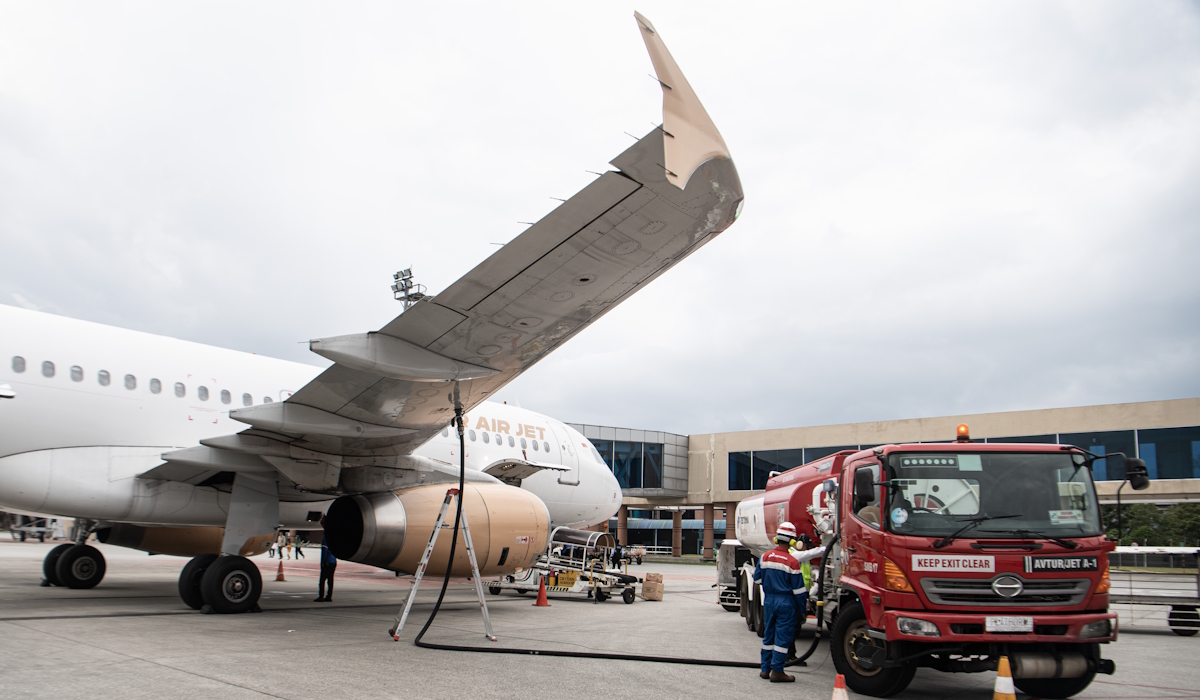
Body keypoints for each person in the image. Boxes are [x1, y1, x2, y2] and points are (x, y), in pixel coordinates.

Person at [753, 522, 826, 683]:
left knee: (768, 636)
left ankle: (765, 669)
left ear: (777, 538)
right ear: (793, 541)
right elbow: (799, 591)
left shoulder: (764, 557)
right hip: (786, 603)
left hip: (770, 601)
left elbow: (757, 579)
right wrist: (801, 609)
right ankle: (777, 671)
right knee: (782, 638)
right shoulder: (792, 562)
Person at [316, 518, 337, 602]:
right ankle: (329, 596)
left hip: (327, 562)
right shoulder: (334, 540)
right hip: (333, 561)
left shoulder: (325, 540)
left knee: (322, 580)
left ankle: (321, 596)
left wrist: (322, 561)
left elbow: (324, 552)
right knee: (330, 580)